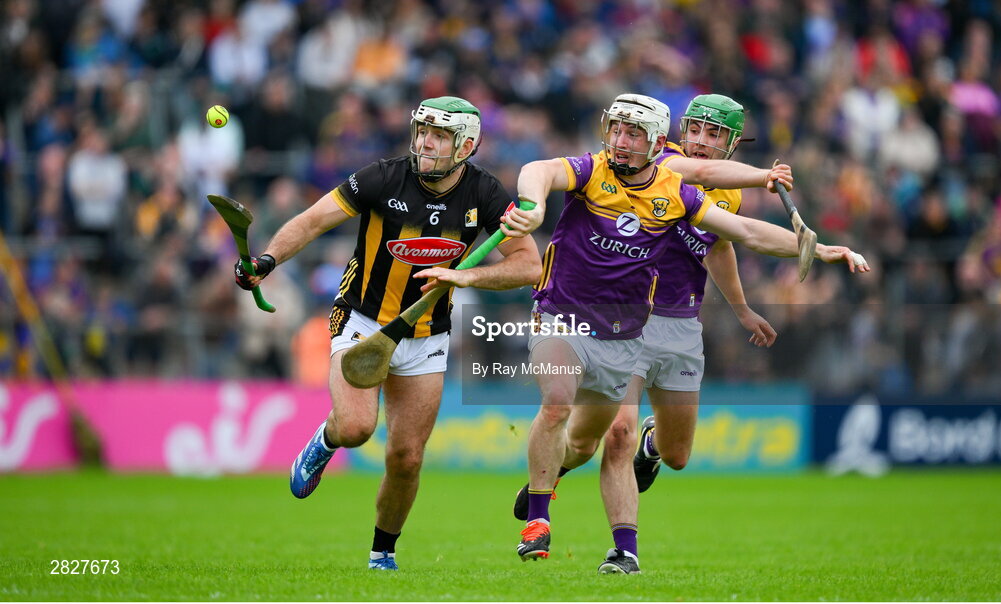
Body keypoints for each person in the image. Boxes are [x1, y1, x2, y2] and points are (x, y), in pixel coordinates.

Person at [510, 93, 869, 574]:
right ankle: (619, 547)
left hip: (680, 322)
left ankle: (635, 450)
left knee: (675, 455)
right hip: (626, 318)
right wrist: (764, 175)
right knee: (611, 431)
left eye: (714, 134)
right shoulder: (656, 158)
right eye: (695, 129)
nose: (699, 141)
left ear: (733, 141)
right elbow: (700, 174)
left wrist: (752, 300)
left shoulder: (719, 194)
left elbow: (728, 241)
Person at [233, 96, 542, 571]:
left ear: (466, 146)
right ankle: (327, 438)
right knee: (357, 428)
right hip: (362, 318)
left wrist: (467, 277)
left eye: (438, 136)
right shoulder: (382, 177)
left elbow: (528, 264)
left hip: (428, 335)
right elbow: (314, 220)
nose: (424, 142)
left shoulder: (485, 194)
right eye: (421, 131)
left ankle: (382, 553)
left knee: (406, 458)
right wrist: (268, 261)